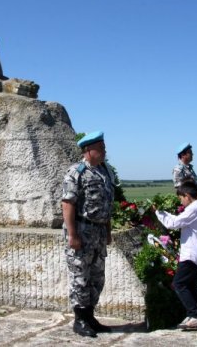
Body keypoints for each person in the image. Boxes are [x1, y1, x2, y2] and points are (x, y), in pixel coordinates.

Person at [61, 131, 115, 337]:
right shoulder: (77, 172)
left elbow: (107, 204)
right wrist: (72, 235)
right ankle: (80, 320)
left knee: (96, 277)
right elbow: (67, 204)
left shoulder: (105, 171)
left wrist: (108, 231)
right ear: (87, 150)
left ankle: (90, 317)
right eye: (100, 148)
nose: (104, 151)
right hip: (82, 232)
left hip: (99, 232)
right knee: (80, 277)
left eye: (104, 147)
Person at [154, 181, 197, 330]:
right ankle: (195, 314)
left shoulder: (194, 209)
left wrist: (158, 212)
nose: (181, 202)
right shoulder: (196, 208)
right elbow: (178, 219)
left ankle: (195, 314)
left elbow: (174, 223)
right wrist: (164, 213)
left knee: (179, 284)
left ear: (187, 196)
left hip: (192, 254)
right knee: (190, 285)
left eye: (181, 198)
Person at [172, 143, 197, 303]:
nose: (192, 155)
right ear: (183, 155)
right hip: (188, 205)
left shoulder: (190, 168)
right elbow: (180, 188)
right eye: (190, 153)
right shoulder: (179, 169)